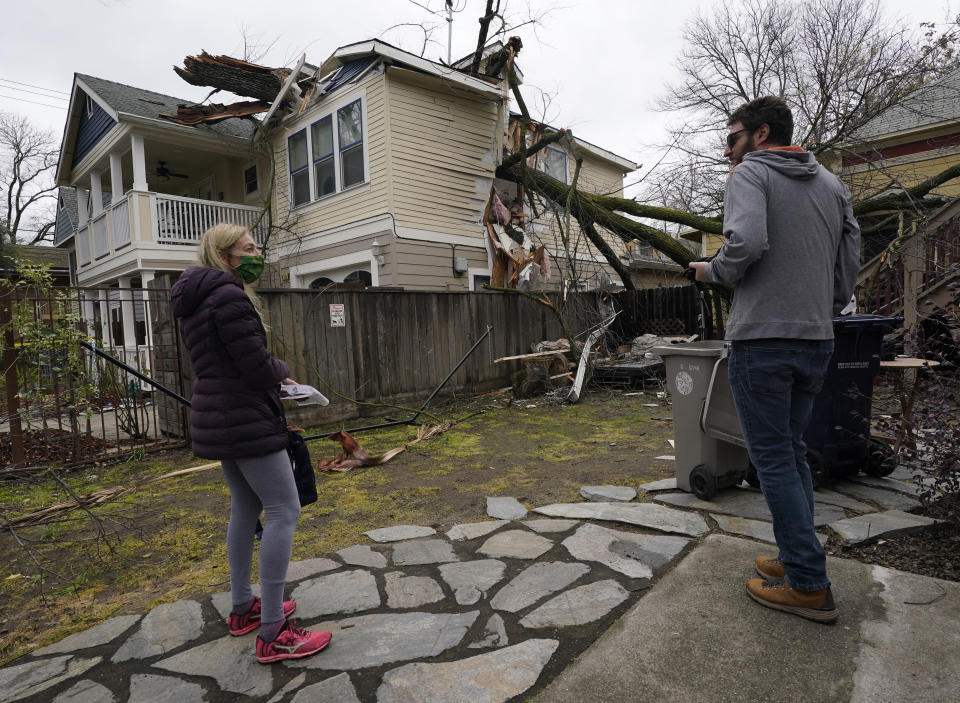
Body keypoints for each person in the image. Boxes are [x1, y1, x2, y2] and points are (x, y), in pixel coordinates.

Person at [689, 96, 860, 623]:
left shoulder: (751, 174)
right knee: (791, 452)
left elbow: (747, 243)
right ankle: (794, 559)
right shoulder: (832, 185)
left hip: (764, 342)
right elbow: (849, 256)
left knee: (773, 462)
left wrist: (711, 271)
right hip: (817, 339)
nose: (727, 151)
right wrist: (824, 309)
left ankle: (809, 584)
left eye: (732, 137)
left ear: (760, 135)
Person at [171, 223, 332, 662]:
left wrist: (271, 374)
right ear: (225, 255)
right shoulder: (227, 296)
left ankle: (243, 607)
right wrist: (282, 371)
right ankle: (273, 631)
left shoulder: (197, 298)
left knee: (245, 508)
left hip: (221, 415)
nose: (257, 253)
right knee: (284, 510)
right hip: (244, 417)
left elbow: (226, 361)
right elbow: (255, 366)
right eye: (249, 248)